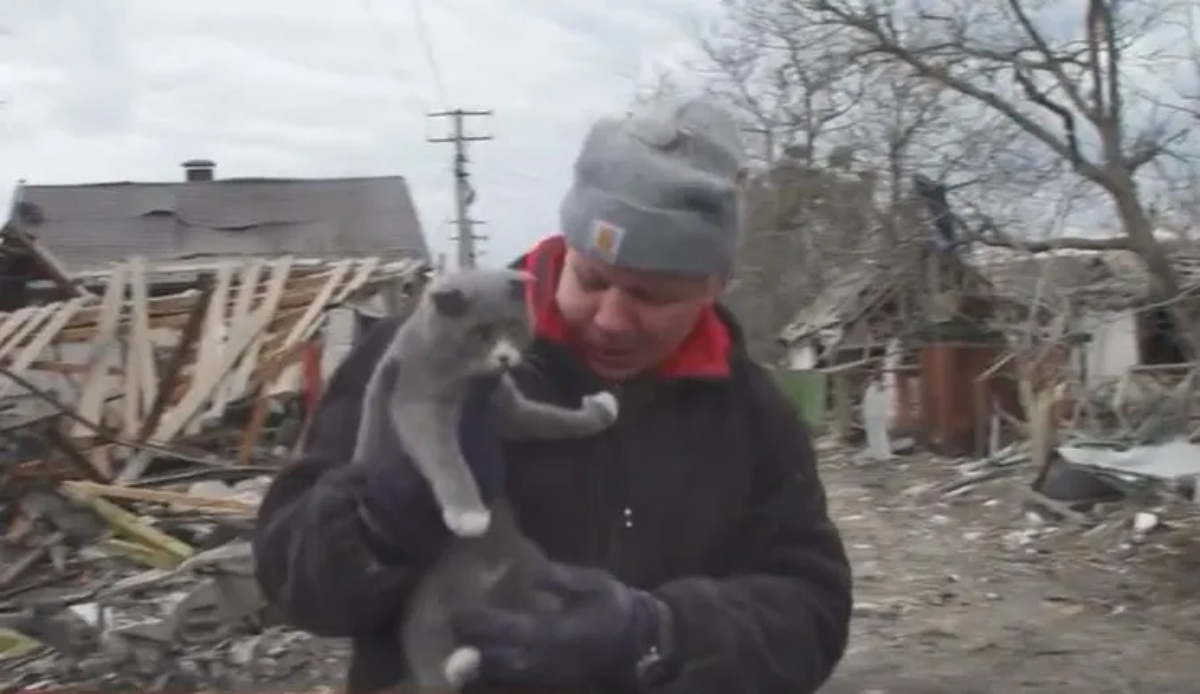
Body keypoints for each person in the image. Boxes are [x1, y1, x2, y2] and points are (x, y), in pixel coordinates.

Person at [252, 95, 853, 693]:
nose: (612, 320)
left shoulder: (750, 417)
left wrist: (658, 637)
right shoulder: (422, 360)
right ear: (566, 246)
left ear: (716, 284)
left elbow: (813, 609)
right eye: (591, 279)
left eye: (652, 296)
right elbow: (292, 585)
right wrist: (376, 521)